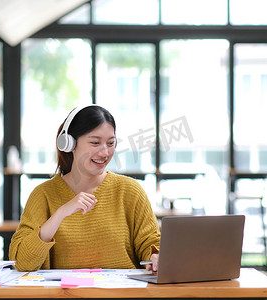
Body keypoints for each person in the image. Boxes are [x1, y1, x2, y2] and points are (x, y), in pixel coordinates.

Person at [9, 104, 160, 272]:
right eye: (95, 143)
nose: (105, 153)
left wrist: (155, 257)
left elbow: (151, 243)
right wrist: (61, 213)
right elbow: (21, 262)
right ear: (69, 143)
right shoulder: (43, 195)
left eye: (110, 143)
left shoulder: (130, 191)